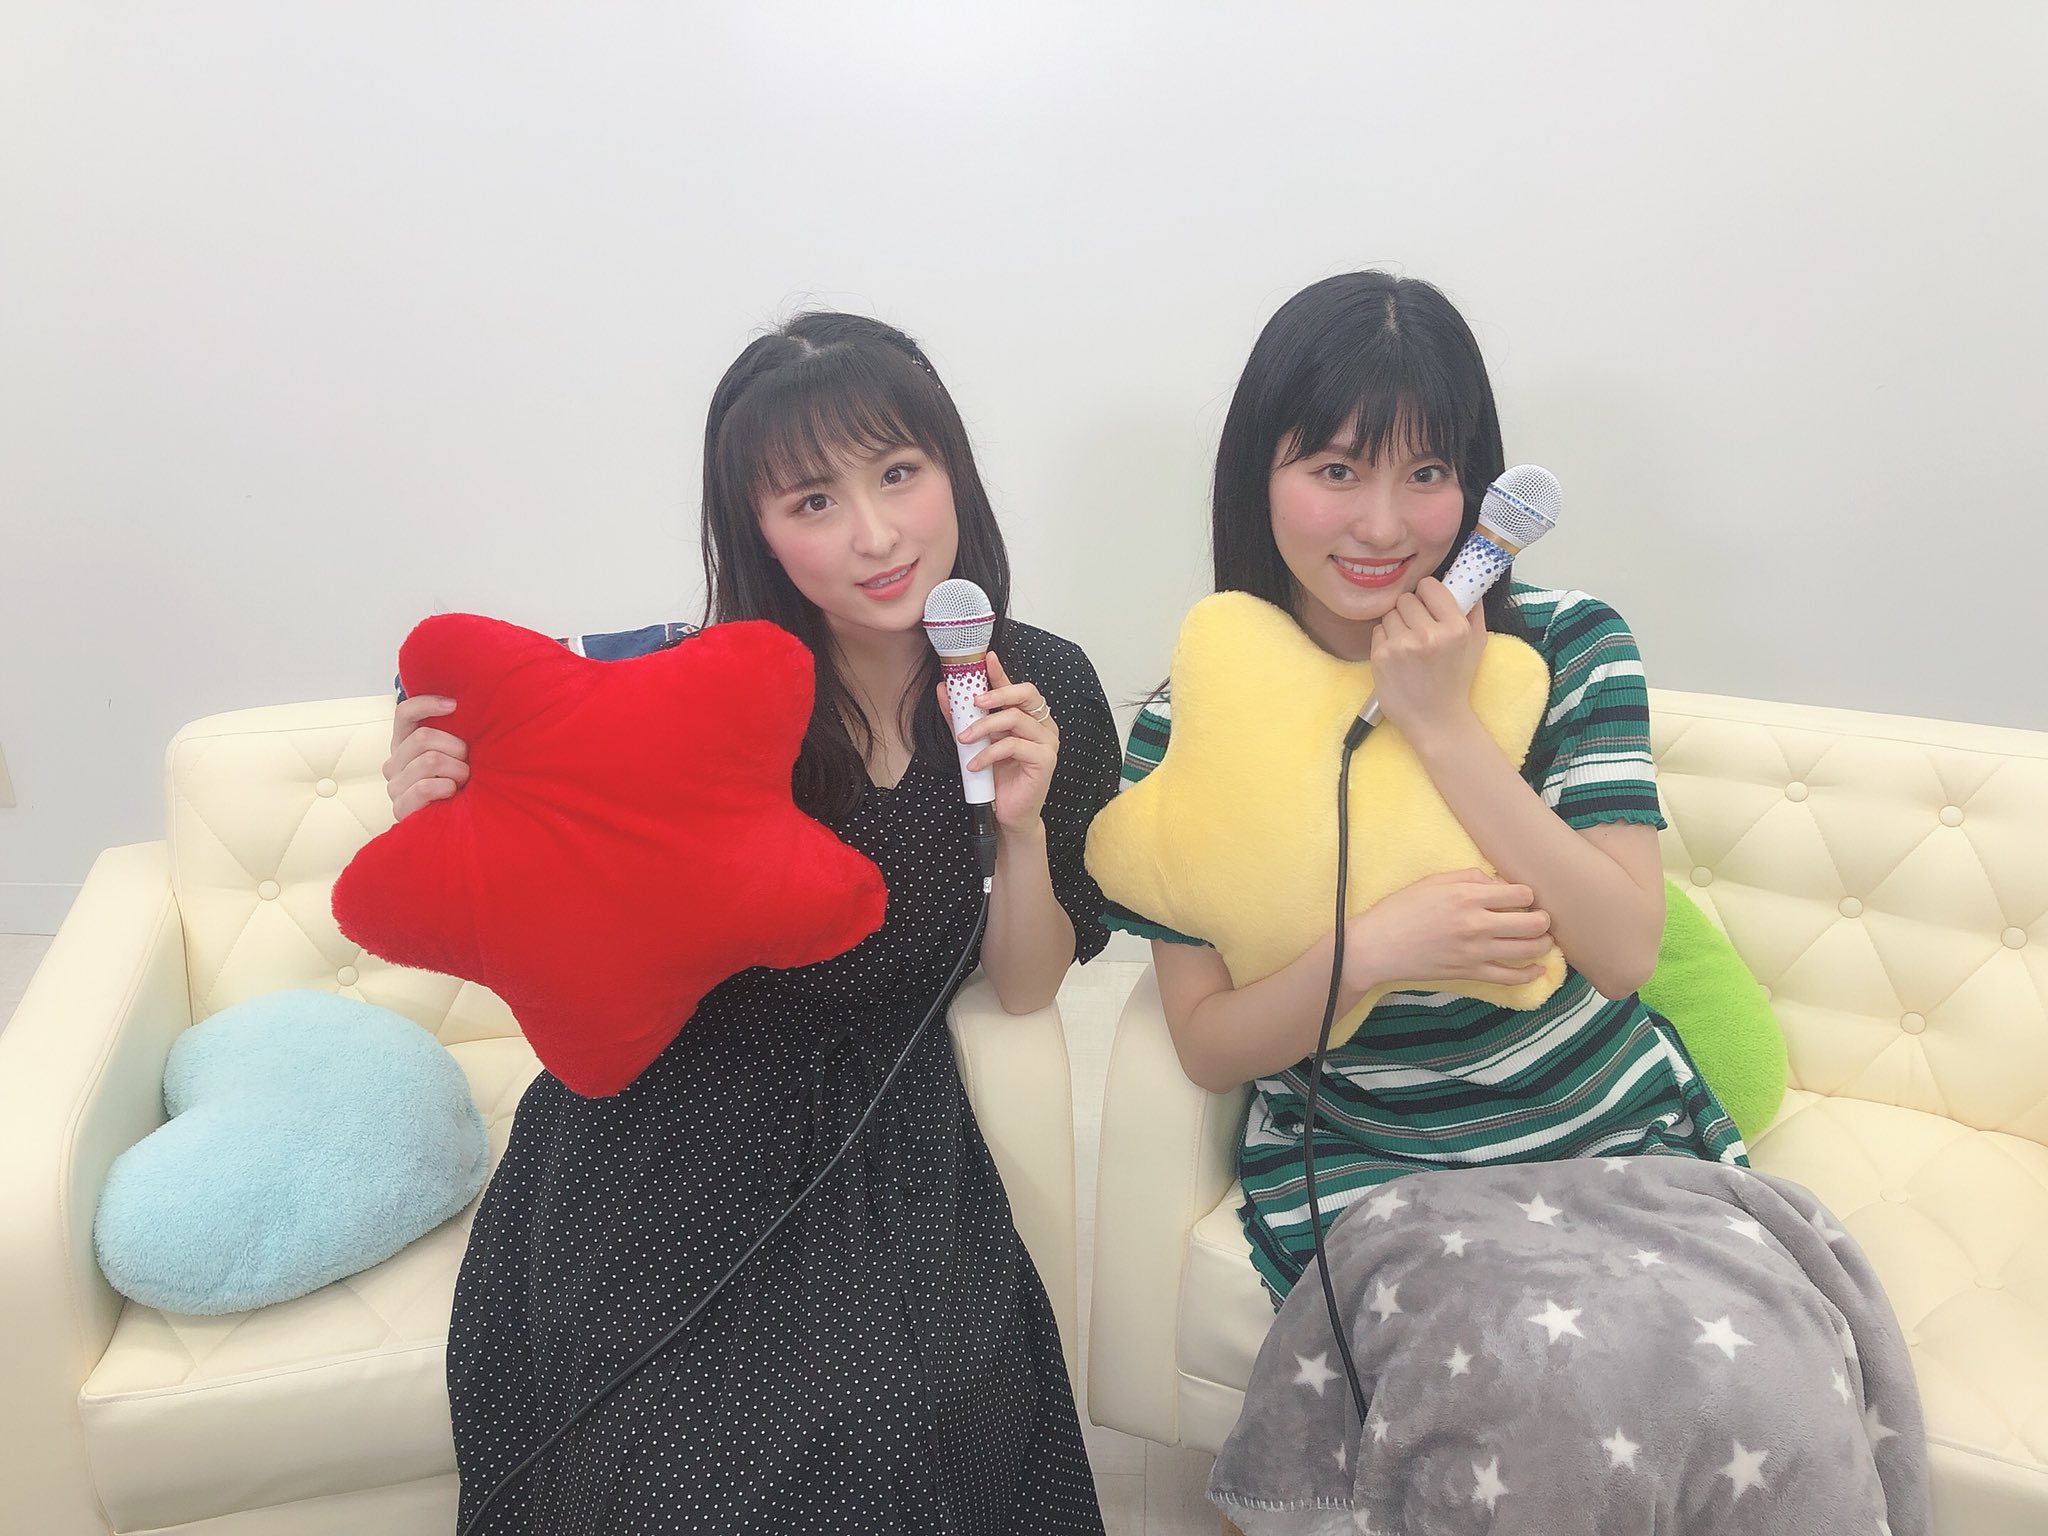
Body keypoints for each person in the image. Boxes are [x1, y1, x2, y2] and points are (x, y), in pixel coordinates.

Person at [387, 312, 1120, 1533]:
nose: (875, 535)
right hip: (662, 1121)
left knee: (906, 1424)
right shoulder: (701, 691)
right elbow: (564, 899)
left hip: (884, 1121)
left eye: (898, 473)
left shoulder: (1041, 684)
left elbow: (1029, 984)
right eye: (812, 501)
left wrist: (1022, 830)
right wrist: (450, 815)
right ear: (757, 529)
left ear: (952, 468)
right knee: (662, 1462)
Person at [1108, 272, 1743, 1303]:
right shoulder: (1188, 726)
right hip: (1368, 1179)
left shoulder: (1573, 646)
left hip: (1608, 1139)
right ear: (1257, 475)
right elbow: (1208, 1046)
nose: (1382, 525)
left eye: (1427, 472)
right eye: (1335, 469)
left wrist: (1444, 727)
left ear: (1477, 485)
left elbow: (1623, 951)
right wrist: (1370, 953)